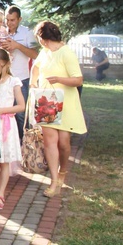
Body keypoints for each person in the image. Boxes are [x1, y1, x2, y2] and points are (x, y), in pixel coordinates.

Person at [31, 21, 87, 197]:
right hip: (47, 101)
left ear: (43, 38)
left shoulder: (66, 53)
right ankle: (54, 180)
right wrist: (34, 83)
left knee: (63, 142)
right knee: (50, 141)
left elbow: (78, 80)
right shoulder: (44, 52)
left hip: (66, 101)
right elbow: (36, 67)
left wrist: (59, 79)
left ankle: (63, 171)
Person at [0, 48, 25, 211]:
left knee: (4, 161)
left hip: (6, 125)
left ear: (7, 64)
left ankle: (1, 193)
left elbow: (21, 105)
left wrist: (2, 110)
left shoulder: (13, 81)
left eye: (2, 66)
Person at [0, 6, 39, 141]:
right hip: (3, 78)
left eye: (13, 20)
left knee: (20, 114)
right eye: (7, 20)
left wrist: (18, 46)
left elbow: (35, 54)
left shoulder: (27, 33)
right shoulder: (1, 32)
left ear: (19, 19)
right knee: (4, 111)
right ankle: (8, 142)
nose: (9, 23)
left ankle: (22, 144)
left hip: (21, 78)